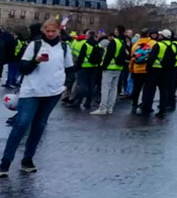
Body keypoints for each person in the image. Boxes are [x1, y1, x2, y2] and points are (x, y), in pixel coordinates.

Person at [0, 18, 74, 178]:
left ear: (58, 32)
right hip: (32, 90)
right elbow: (23, 68)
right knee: (22, 123)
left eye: (53, 31)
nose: (51, 34)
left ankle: (27, 159)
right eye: (48, 31)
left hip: (53, 92)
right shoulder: (35, 45)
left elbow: (70, 68)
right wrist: (36, 61)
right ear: (43, 31)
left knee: (39, 125)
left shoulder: (64, 47)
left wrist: (66, 84)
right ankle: (5, 161)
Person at [92, 25, 128, 115]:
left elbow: (109, 55)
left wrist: (103, 66)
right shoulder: (123, 41)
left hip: (109, 67)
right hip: (118, 67)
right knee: (113, 89)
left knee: (105, 88)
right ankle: (110, 108)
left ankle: (102, 108)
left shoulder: (114, 41)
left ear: (117, 31)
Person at [69, 30, 101, 109]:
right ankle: (88, 102)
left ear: (88, 36)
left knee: (82, 85)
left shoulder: (86, 45)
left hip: (84, 67)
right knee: (91, 86)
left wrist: (78, 67)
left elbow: (81, 57)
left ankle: (78, 101)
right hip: (94, 68)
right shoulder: (98, 45)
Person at [129, 29, 155, 114]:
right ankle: (145, 105)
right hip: (148, 70)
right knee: (147, 89)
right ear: (148, 34)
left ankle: (134, 105)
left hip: (137, 70)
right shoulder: (153, 43)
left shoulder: (135, 45)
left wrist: (131, 69)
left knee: (136, 89)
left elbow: (132, 58)